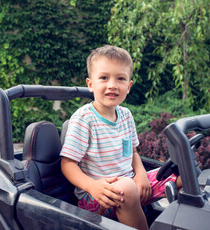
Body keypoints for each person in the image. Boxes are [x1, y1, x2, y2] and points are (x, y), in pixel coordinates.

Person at [60, 45, 181, 230]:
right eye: (103, 78)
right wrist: (92, 186)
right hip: (98, 195)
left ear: (128, 86)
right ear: (90, 84)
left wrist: (141, 176)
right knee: (125, 187)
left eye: (120, 78)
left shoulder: (125, 116)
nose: (112, 85)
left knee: (182, 176)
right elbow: (67, 164)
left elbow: (132, 153)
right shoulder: (84, 119)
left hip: (129, 183)